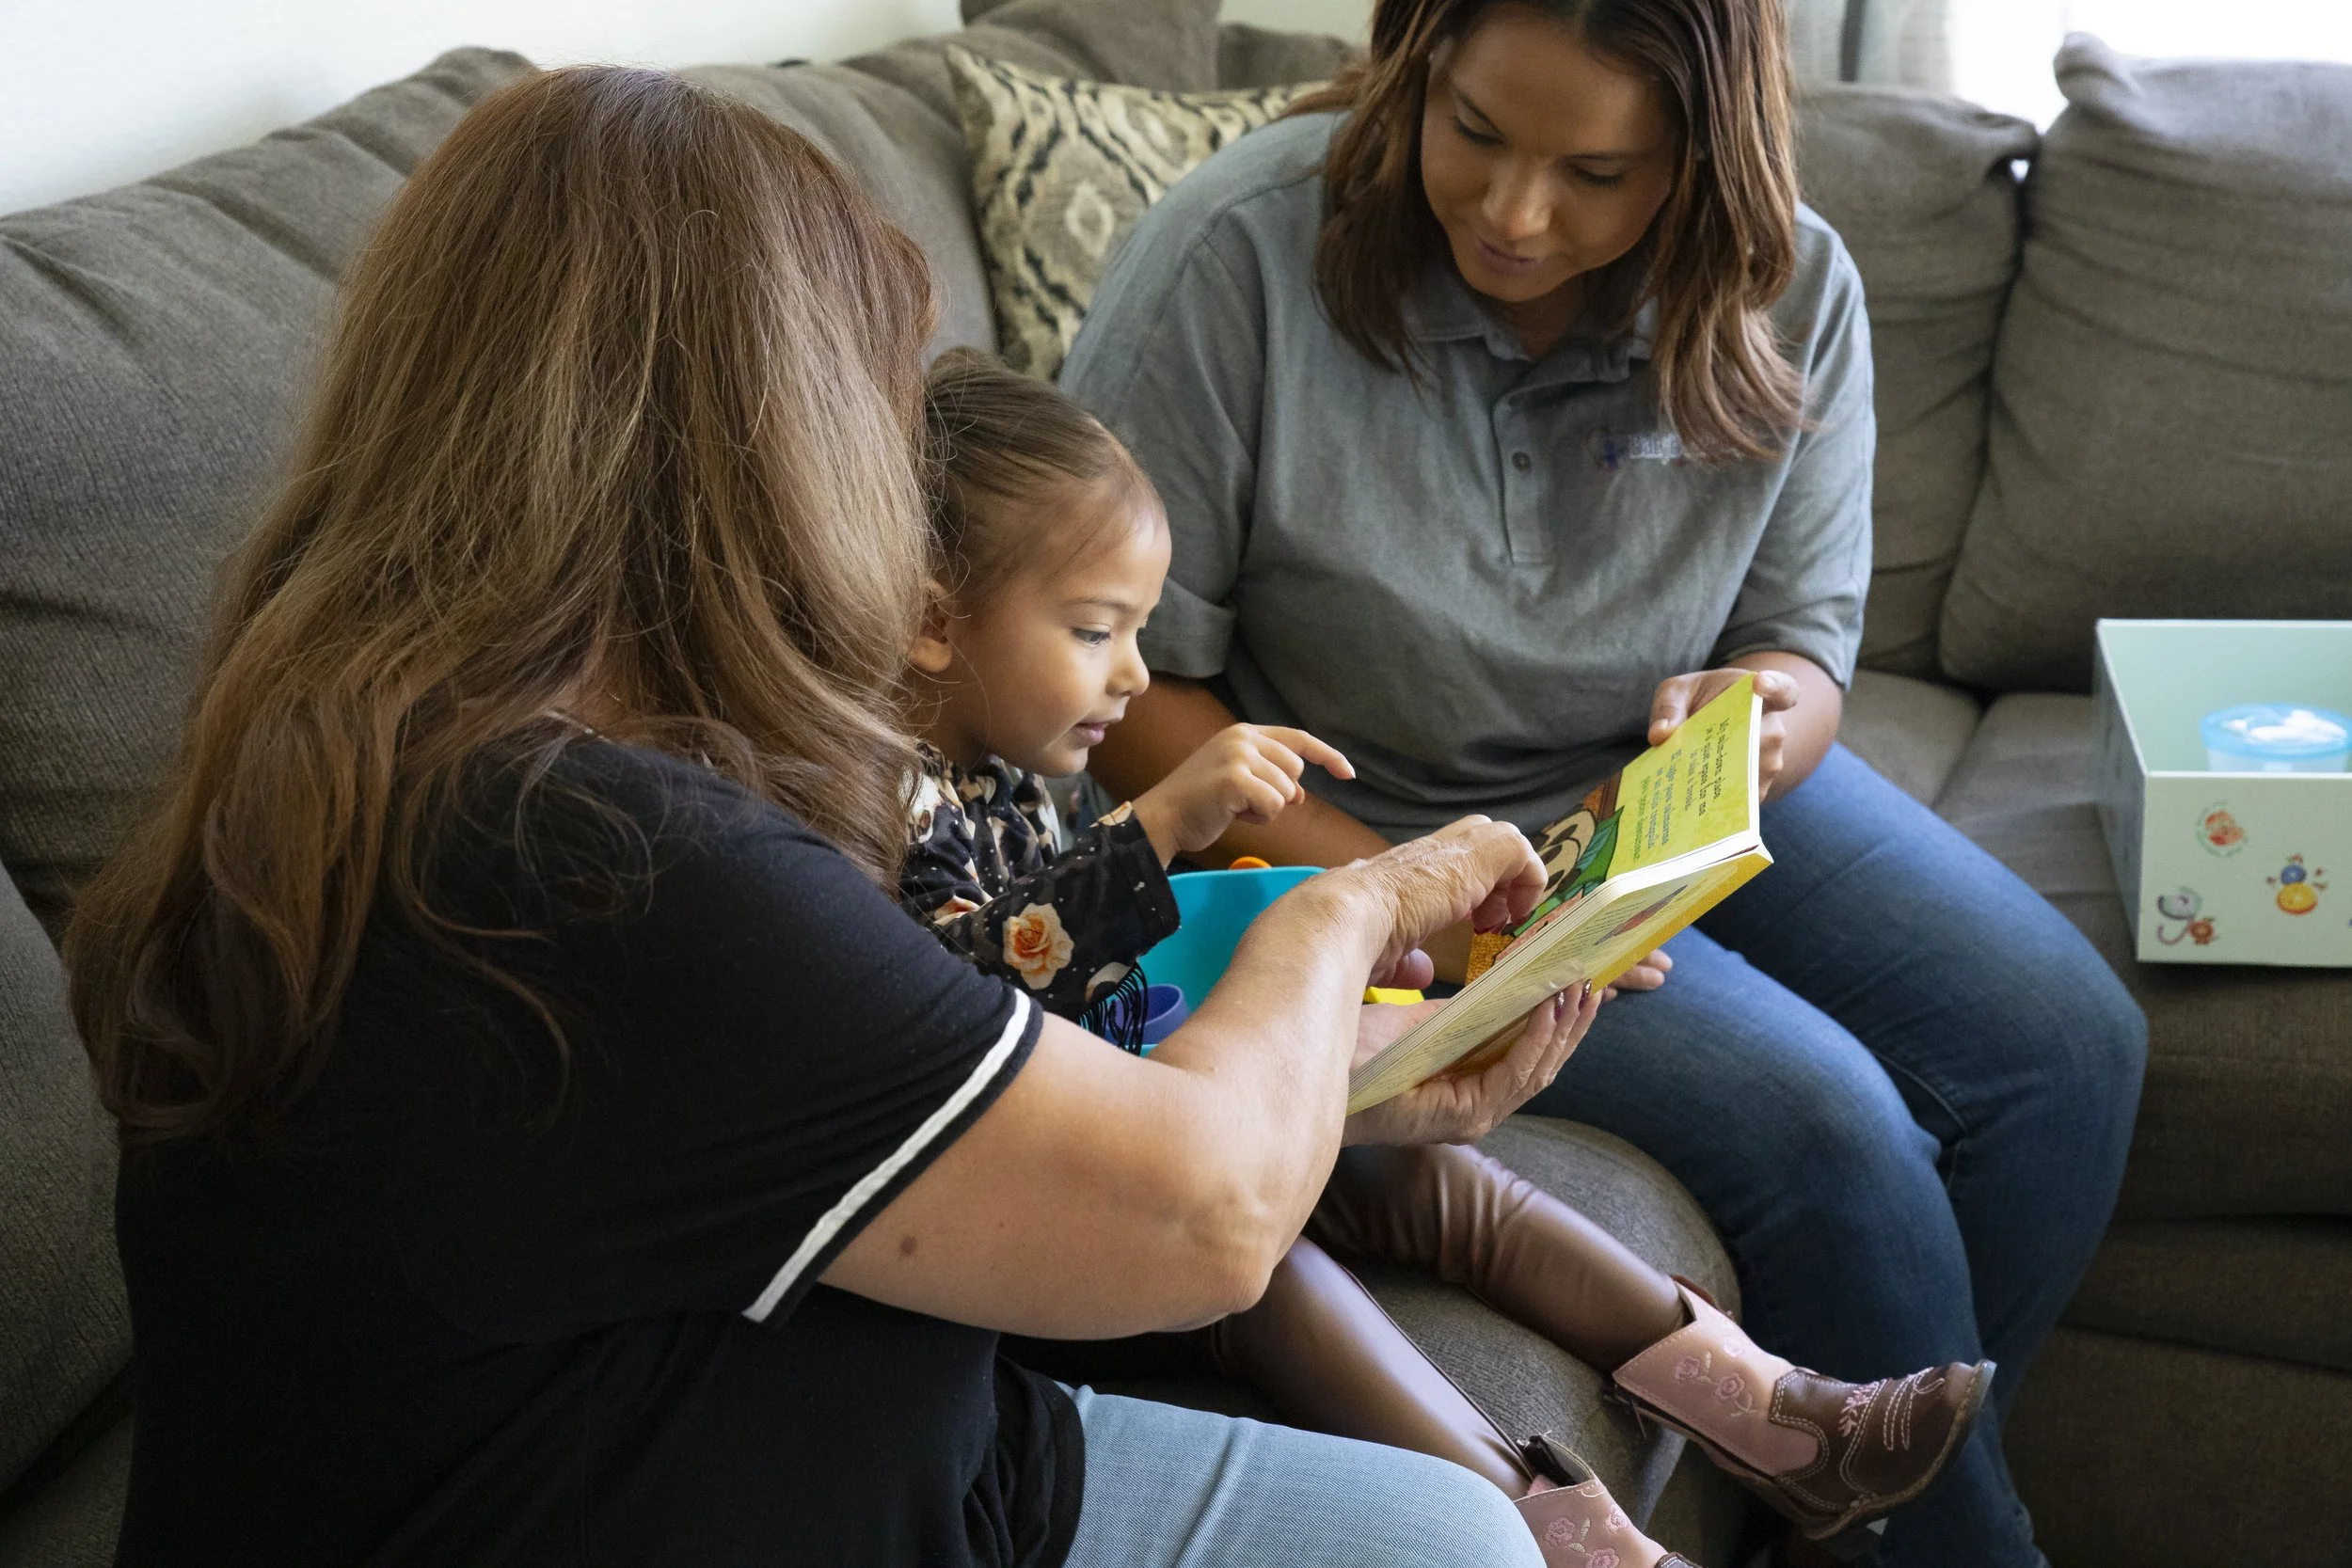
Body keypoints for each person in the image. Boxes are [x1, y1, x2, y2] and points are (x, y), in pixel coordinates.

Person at [63, 66, 1592, 1568]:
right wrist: (1347, 911)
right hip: (790, 1481)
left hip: (905, 1438)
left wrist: (1347, 1068)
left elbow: (913, 1084)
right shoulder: (586, 857)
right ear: (759, 445)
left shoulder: (413, 753)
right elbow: (1206, 1216)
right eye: (868, 410)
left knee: (1455, 1533)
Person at [1059, 2, 2148, 1564]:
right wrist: (1391, 895)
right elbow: (1131, 687)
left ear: (1705, 167)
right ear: (1417, 67)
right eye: (1477, 133)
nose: (1515, 212)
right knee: (1836, 1139)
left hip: (1653, 792)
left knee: (2070, 1047)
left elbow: (1802, 644)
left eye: (1596, 170)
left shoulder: (1798, 287)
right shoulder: (1236, 256)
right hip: (1362, 817)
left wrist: (1765, 718)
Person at [899, 349, 1991, 1565]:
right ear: (937, 622)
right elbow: (966, 992)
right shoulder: (883, 800)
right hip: (1045, 1219)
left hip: (1139, 1110)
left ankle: (1775, 1411)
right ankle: (1570, 1537)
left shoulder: (1003, 759)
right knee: (1273, 1278)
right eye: (1095, 630)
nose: (1138, 677)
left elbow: (1081, 961)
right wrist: (1152, 831)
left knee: (1425, 1181)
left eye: (1138, 631)